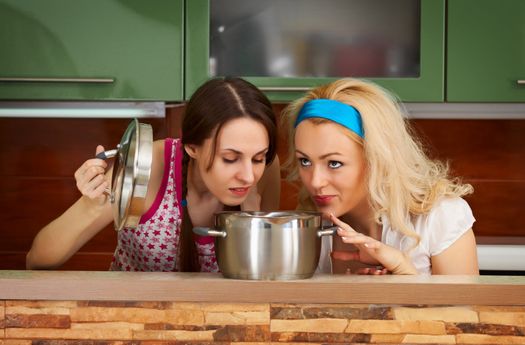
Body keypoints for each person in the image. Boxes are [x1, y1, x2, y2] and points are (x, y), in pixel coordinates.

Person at [27, 77, 281, 272]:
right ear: (191, 147)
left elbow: (265, 274)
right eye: (230, 158)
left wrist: (253, 219)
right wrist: (91, 205)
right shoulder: (144, 166)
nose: (248, 175)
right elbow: (37, 260)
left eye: (258, 157)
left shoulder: (266, 171)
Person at [282, 78, 479, 275]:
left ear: (378, 160)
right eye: (305, 161)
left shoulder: (439, 218)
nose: (315, 181)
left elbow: (466, 307)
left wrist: (406, 275)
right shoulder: (308, 227)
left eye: (334, 163)